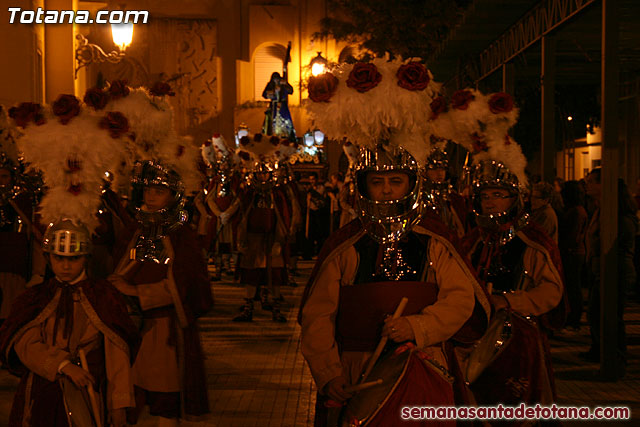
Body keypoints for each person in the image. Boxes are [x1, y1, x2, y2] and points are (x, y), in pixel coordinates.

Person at [300, 143, 488, 425]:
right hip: (356, 368)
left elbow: (460, 300)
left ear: (411, 185)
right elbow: (318, 316)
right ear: (364, 186)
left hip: (422, 366)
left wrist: (417, 326)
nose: (387, 190)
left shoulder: (435, 240)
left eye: (396, 181)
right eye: (377, 182)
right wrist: (329, 374)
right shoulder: (344, 246)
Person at [0, 220, 140, 427]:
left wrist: (119, 404)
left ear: (86, 258)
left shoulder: (104, 297)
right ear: (48, 258)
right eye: (59, 258)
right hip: (42, 390)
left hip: (89, 392)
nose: (66, 266)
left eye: (74, 258)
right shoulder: (34, 298)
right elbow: (25, 344)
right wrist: (62, 365)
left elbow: (117, 355)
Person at [107, 161, 212, 425]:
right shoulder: (136, 228)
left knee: (165, 403)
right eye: (148, 190)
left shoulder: (179, 234)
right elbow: (124, 266)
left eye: (159, 191)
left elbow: (186, 284)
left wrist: (136, 291)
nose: (151, 197)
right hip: (131, 329)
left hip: (163, 331)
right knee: (127, 399)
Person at [462, 160, 565, 405]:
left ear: (514, 198)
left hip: (520, 337)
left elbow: (552, 290)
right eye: (484, 195)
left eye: (498, 195)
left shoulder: (532, 240)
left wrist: (509, 300)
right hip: (473, 334)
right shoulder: (472, 240)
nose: (489, 201)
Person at [233, 134, 298, 323]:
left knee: (275, 278)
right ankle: (248, 310)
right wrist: (241, 239)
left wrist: (280, 240)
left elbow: (283, 216)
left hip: (272, 239)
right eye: (259, 173)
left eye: (265, 173)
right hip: (253, 241)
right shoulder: (249, 193)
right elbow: (242, 217)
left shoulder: (276, 193)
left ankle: (276, 310)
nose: (262, 176)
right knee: (251, 277)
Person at [582, 169, 636, 373]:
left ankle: (616, 357)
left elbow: (614, 244)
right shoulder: (599, 209)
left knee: (609, 314)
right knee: (596, 312)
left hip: (615, 271)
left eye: (590, 182)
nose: (587, 185)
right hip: (600, 268)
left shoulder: (619, 215)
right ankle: (601, 350)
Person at [558, 181, 588, 331]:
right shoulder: (577, 210)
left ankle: (575, 317)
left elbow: (573, 234)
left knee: (573, 285)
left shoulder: (576, 211)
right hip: (574, 251)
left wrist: (567, 247)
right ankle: (573, 316)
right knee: (572, 285)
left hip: (573, 252)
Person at [422, 145, 469, 238]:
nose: (439, 173)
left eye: (442, 168)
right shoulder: (421, 199)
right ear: (425, 171)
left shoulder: (455, 199)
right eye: (434, 168)